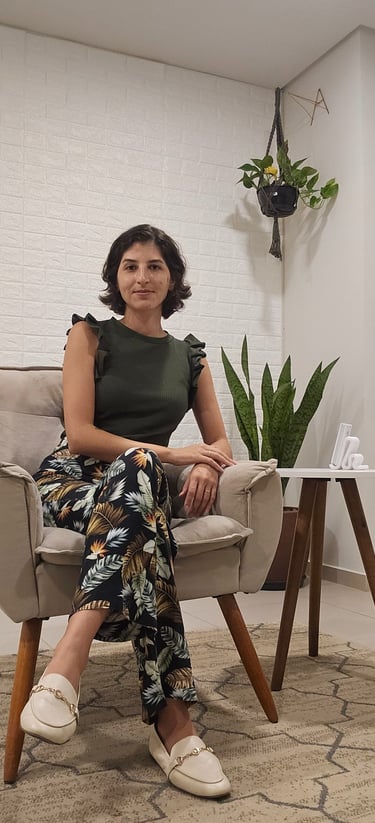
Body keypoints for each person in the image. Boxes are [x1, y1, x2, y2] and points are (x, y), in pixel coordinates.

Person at [21, 224, 235, 798]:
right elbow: (82, 434)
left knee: (140, 483)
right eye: (131, 266)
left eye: (155, 266)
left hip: (140, 488)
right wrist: (175, 455)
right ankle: (174, 724)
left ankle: (66, 664)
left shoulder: (190, 356)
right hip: (73, 481)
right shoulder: (89, 336)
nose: (142, 277)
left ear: (173, 278)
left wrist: (211, 466)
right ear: (115, 278)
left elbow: (220, 441)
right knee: (144, 495)